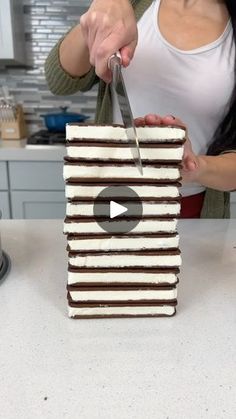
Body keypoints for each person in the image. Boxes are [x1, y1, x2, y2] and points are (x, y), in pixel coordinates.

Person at [45, 0, 236, 218]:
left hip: (193, 208)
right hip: (112, 196)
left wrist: (196, 167)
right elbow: (59, 81)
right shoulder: (130, 4)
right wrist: (97, 14)